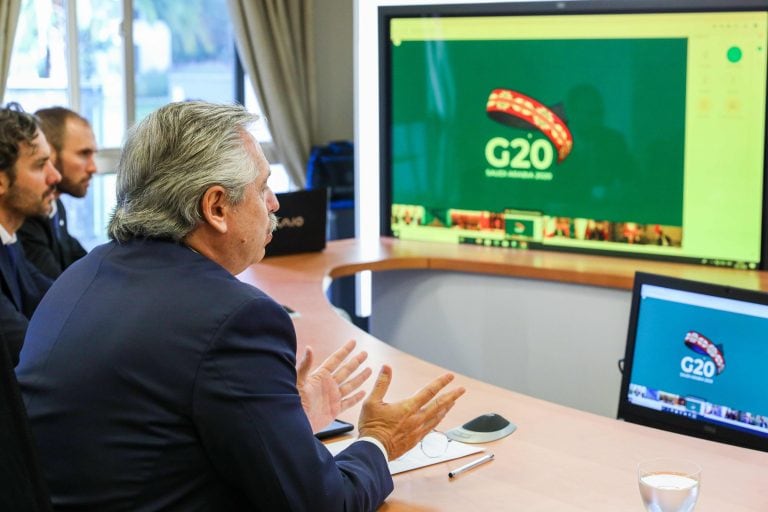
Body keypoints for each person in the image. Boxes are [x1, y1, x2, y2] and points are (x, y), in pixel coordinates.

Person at [17, 101, 465, 511]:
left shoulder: (80, 277)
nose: (273, 204)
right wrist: (380, 442)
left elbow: (149, 438)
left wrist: (280, 422)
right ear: (215, 207)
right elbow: (320, 505)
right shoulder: (237, 320)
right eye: (263, 187)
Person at [0, 103, 60, 366]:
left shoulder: (10, 240)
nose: (55, 176)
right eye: (40, 166)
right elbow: (30, 348)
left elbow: (57, 299)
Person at [17, 107, 97, 278]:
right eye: (84, 154)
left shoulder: (55, 206)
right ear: (49, 154)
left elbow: (78, 258)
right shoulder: (25, 215)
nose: (93, 168)